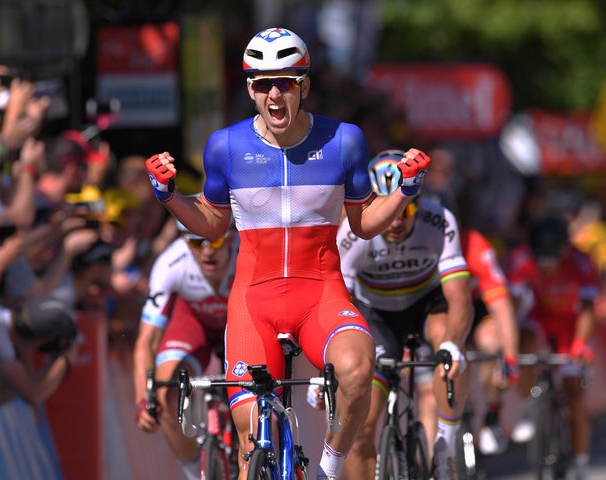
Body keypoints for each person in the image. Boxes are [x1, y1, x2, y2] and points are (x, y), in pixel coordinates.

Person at [143, 27, 431, 480]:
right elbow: (214, 222)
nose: (274, 94)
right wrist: (170, 197)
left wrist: (404, 193)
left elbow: (363, 220)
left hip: (320, 293)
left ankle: (328, 471)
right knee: (249, 441)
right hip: (253, 303)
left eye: (286, 82)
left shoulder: (345, 140)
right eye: (262, 83)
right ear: (250, 89)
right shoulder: (226, 146)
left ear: (305, 86)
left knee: (358, 369)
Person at [334, 149, 472, 479]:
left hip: (425, 304)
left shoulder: (440, 221)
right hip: (375, 315)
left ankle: (444, 449)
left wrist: (453, 343)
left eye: (405, 207)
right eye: (388, 208)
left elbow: (460, 297)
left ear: (419, 202)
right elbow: (340, 305)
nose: (396, 220)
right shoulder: (353, 233)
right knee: (363, 429)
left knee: (451, 348)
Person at [133, 220, 237, 480]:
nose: (206, 251)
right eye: (195, 242)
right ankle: (194, 474)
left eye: (215, 241)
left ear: (233, 237)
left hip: (239, 324)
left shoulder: (248, 254)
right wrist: (144, 400)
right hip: (193, 326)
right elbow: (146, 341)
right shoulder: (171, 263)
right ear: (183, 239)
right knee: (167, 393)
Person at [505, 215, 598, 480]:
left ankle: (580, 462)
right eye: (540, 260)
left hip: (572, 325)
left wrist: (580, 346)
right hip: (539, 319)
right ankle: (528, 405)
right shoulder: (522, 259)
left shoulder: (581, 262)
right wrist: (507, 342)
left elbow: (589, 309)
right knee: (525, 343)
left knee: (574, 396)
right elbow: (510, 303)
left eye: (550, 260)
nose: (545, 266)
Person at [415, 225, 520, 457]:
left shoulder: (476, 245)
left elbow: (502, 306)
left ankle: (492, 410)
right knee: (428, 395)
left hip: (475, 310)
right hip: (436, 314)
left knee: (491, 341)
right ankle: (435, 464)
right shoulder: (418, 244)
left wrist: (510, 358)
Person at [0, 294, 78, 412]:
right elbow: (32, 394)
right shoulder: (0, 341)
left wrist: (46, 370)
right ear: (39, 340)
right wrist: (64, 361)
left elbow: (0, 393)